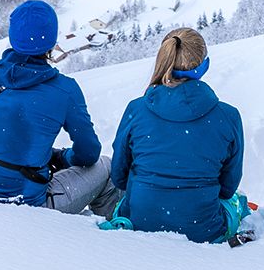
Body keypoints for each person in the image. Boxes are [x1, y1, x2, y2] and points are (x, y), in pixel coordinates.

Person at [0, 0, 114, 215]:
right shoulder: (65, 90)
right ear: (51, 40)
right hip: (26, 208)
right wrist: (63, 158)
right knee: (105, 167)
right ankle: (104, 229)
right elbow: (89, 154)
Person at [104, 27, 249, 243]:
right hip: (203, 232)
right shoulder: (228, 116)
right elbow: (228, 188)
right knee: (238, 201)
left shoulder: (136, 109)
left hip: (138, 222)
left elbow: (119, 177)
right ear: (204, 65)